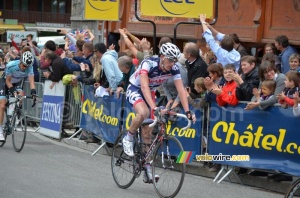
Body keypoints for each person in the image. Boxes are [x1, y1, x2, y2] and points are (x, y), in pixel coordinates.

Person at [122, 43, 195, 183]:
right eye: (170, 59)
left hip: (151, 93)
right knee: (143, 112)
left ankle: (147, 168)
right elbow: (144, 87)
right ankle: (129, 137)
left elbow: (181, 90)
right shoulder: (148, 64)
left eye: (175, 60)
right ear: (162, 57)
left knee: (148, 133)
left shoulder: (173, 68)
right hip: (136, 89)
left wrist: (187, 111)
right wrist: (154, 107)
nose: (172, 63)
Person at [0, 51, 37, 141]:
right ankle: (0, 130)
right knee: (2, 105)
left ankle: (14, 114)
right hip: (5, 82)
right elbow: (8, 81)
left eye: (27, 67)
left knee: (21, 96)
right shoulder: (11, 66)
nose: (25, 68)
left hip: (17, 82)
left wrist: (33, 93)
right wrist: (13, 91)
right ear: (20, 61)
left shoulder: (30, 68)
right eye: (24, 65)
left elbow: (32, 82)